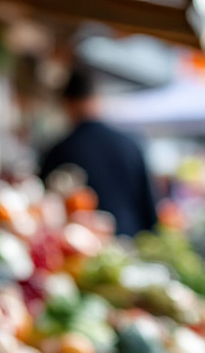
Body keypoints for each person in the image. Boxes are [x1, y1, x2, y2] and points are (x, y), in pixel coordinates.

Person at [40, 68, 159, 237]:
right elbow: (149, 207)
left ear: (68, 104)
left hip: (81, 251)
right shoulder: (130, 145)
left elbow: (46, 208)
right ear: (97, 100)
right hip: (130, 240)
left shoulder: (60, 150)